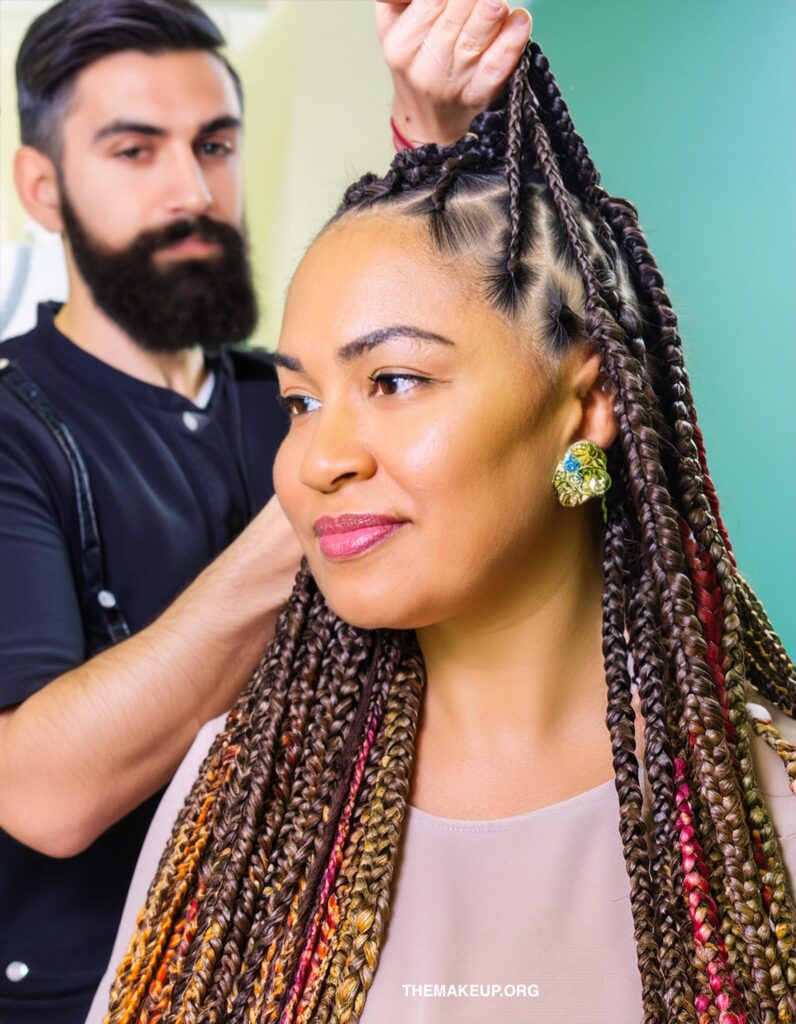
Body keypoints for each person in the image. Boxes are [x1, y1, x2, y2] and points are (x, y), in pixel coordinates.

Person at [91, 36, 796, 1024]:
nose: (317, 459)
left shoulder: (768, 813)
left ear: (586, 404)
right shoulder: (238, 795)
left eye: (393, 380)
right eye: (298, 401)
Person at [0, 1, 533, 1021]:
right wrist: (342, 469)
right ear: (43, 188)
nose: (192, 190)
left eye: (214, 145)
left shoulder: (281, 396)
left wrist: (437, 147)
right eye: (134, 150)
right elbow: (44, 794)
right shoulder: (13, 423)